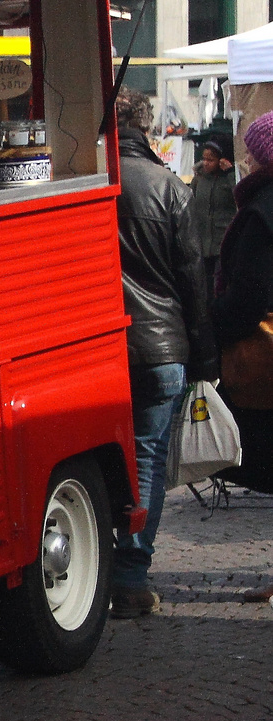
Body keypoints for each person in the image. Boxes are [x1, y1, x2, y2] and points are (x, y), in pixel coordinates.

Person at [113, 90, 218, 619]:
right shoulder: (169, 188)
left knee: (101, 459)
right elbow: (193, 280)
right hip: (160, 349)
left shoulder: (91, 184)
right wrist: (207, 358)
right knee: (148, 459)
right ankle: (130, 577)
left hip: (101, 347)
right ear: (146, 128)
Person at [210, 110, 273, 601]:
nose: (246, 159)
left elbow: (249, 297)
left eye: (252, 151)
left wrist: (213, 320)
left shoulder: (261, 210)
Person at [190, 135, 237, 307]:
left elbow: (239, 196)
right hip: (202, 243)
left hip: (221, 243)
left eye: (211, 159)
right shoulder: (199, 179)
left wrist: (231, 174)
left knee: (219, 287)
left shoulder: (228, 179)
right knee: (203, 288)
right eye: (204, 159)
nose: (207, 163)